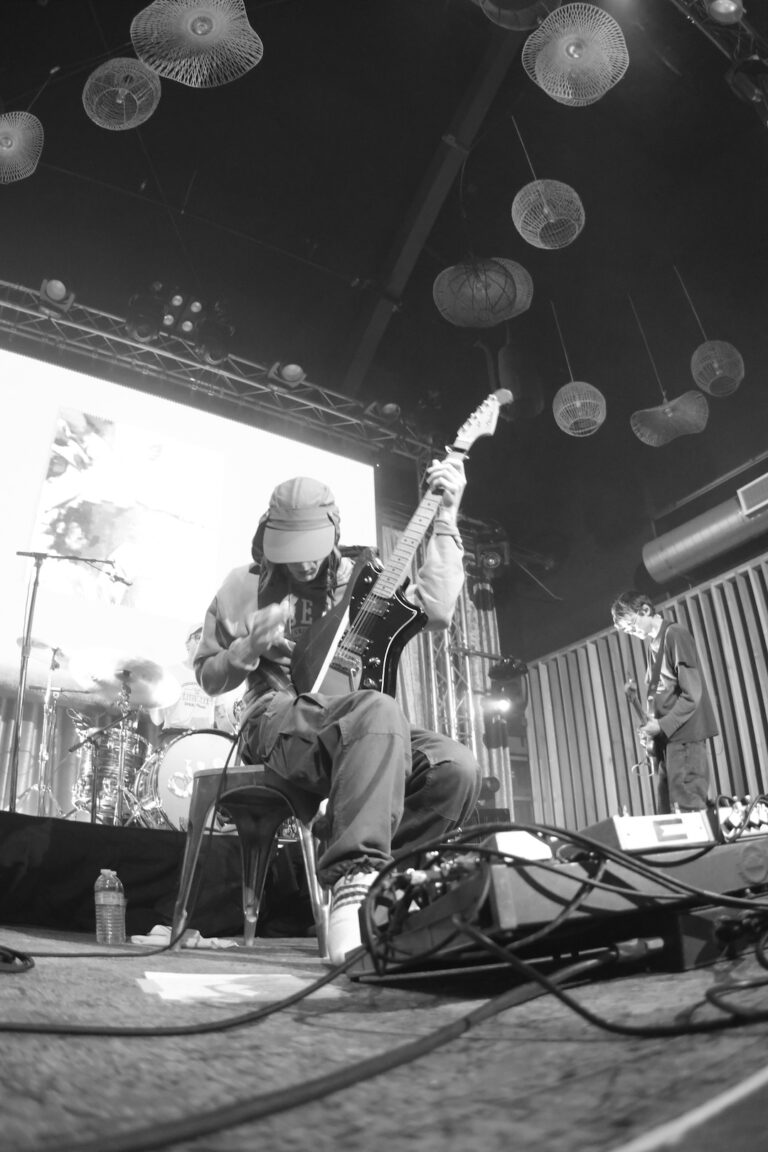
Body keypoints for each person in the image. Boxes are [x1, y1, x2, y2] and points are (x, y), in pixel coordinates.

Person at [194, 466, 481, 963]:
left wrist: (447, 517)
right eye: (291, 548)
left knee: (456, 766)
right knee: (377, 710)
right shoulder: (242, 585)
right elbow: (208, 677)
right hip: (275, 714)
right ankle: (352, 879)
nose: (304, 562)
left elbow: (436, 610)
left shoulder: (365, 579)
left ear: (334, 533)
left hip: (360, 721)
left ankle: (386, 890)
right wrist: (246, 648)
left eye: (312, 546)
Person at [611, 589, 718, 813]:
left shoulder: (675, 635)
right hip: (670, 741)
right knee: (668, 814)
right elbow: (666, 695)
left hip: (685, 739)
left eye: (631, 624)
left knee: (687, 810)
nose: (631, 632)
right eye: (627, 630)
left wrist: (661, 725)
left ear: (645, 610)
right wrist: (648, 721)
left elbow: (692, 694)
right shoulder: (655, 644)